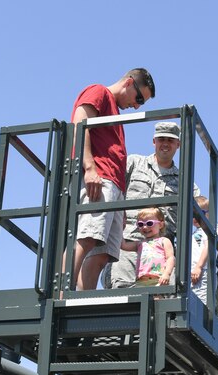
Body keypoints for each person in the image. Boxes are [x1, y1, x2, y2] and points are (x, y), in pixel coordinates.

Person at [69, 68, 155, 291]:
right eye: (138, 99)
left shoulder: (115, 113)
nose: (136, 106)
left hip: (115, 188)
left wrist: (123, 205)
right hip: (99, 178)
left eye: (141, 104)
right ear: (128, 83)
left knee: (103, 253)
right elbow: (80, 122)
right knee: (88, 235)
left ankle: (84, 298)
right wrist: (89, 167)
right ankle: (61, 290)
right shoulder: (98, 92)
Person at [100, 121, 199, 289]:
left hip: (160, 252)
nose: (165, 144)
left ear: (178, 144)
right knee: (119, 290)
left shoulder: (185, 182)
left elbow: (202, 212)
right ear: (154, 141)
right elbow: (111, 187)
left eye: (170, 140)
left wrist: (217, 236)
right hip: (128, 243)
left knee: (163, 298)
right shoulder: (133, 163)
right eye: (161, 139)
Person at [119, 208, 175, 286]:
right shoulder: (140, 244)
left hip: (158, 278)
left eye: (149, 223)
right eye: (141, 224)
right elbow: (123, 245)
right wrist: (120, 228)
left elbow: (170, 258)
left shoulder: (164, 241)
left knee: (157, 298)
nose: (145, 227)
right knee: (140, 297)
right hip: (141, 280)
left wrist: (167, 274)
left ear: (160, 224)